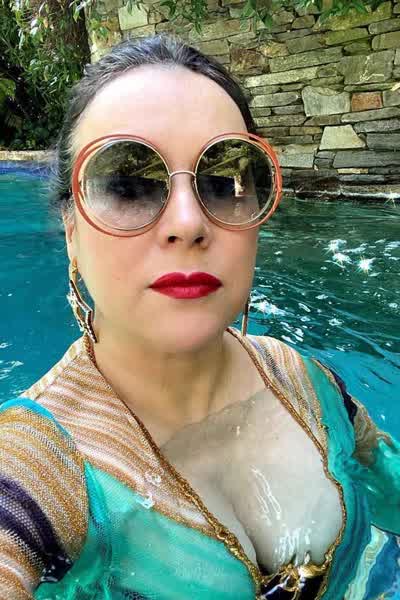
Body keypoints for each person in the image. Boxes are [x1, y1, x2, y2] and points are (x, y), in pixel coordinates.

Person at [0, 33, 399, 600]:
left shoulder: (308, 384)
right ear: (71, 230)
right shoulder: (35, 468)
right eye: (129, 185)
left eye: (221, 181)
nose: (188, 222)